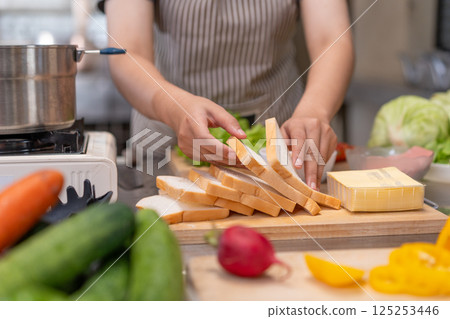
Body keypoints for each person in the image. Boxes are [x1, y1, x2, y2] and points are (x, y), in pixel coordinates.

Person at [101, 0, 354, 190]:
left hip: (283, 142)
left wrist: (314, 111)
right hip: (165, 143)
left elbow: (331, 39)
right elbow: (127, 51)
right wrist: (176, 108)